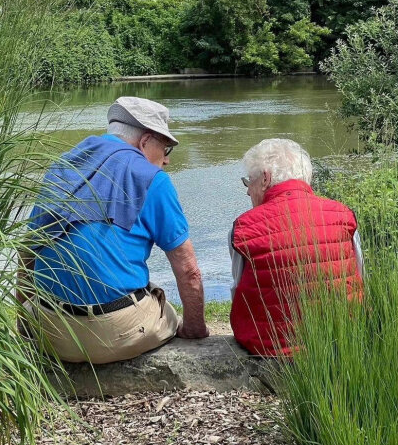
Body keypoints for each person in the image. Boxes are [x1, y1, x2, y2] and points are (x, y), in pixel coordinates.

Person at [18, 96, 208, 363]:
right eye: (165, 149)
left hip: (52, 335)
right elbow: (189, 270)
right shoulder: (153, 180)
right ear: (144, 141)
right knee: (167, 310)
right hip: (118, 334)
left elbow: (27, 251)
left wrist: (24, 327)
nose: (166, 161)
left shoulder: (61, 168)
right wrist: (195, 329)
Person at [229, 138, 363, 357]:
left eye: (248, 182)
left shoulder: (243, 227)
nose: (247, 191)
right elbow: (360, 275)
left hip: (271, 347)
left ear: (265, 178)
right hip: (343, 341)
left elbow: (238, 291)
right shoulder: (344, 215)